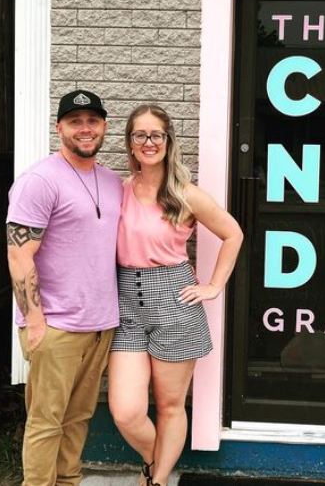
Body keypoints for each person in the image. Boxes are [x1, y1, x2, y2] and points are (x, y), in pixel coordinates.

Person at [108, 104, 243, 486]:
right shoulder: (118, 191)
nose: (148, 142)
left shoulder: (186, 195)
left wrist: (214, 285)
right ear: (130, 144)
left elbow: (233, 234)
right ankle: (156, 460)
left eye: (156, 135)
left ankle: (156, 480)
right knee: (125, 410)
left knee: (169, 406)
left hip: (174, 302)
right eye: (140, 135)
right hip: (126, 307)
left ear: (168, 142)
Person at [6, 90, 123, 486]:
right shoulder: (39, 180)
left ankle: (68, 481)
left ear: (104, 126)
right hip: (56, 325)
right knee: (46, 422)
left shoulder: (111, 182)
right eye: (76, 121)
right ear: (60, 128)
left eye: (93, 120)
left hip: (100, 324)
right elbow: (20, 255)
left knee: (78, 419)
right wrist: (35, 322)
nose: (85, 129)